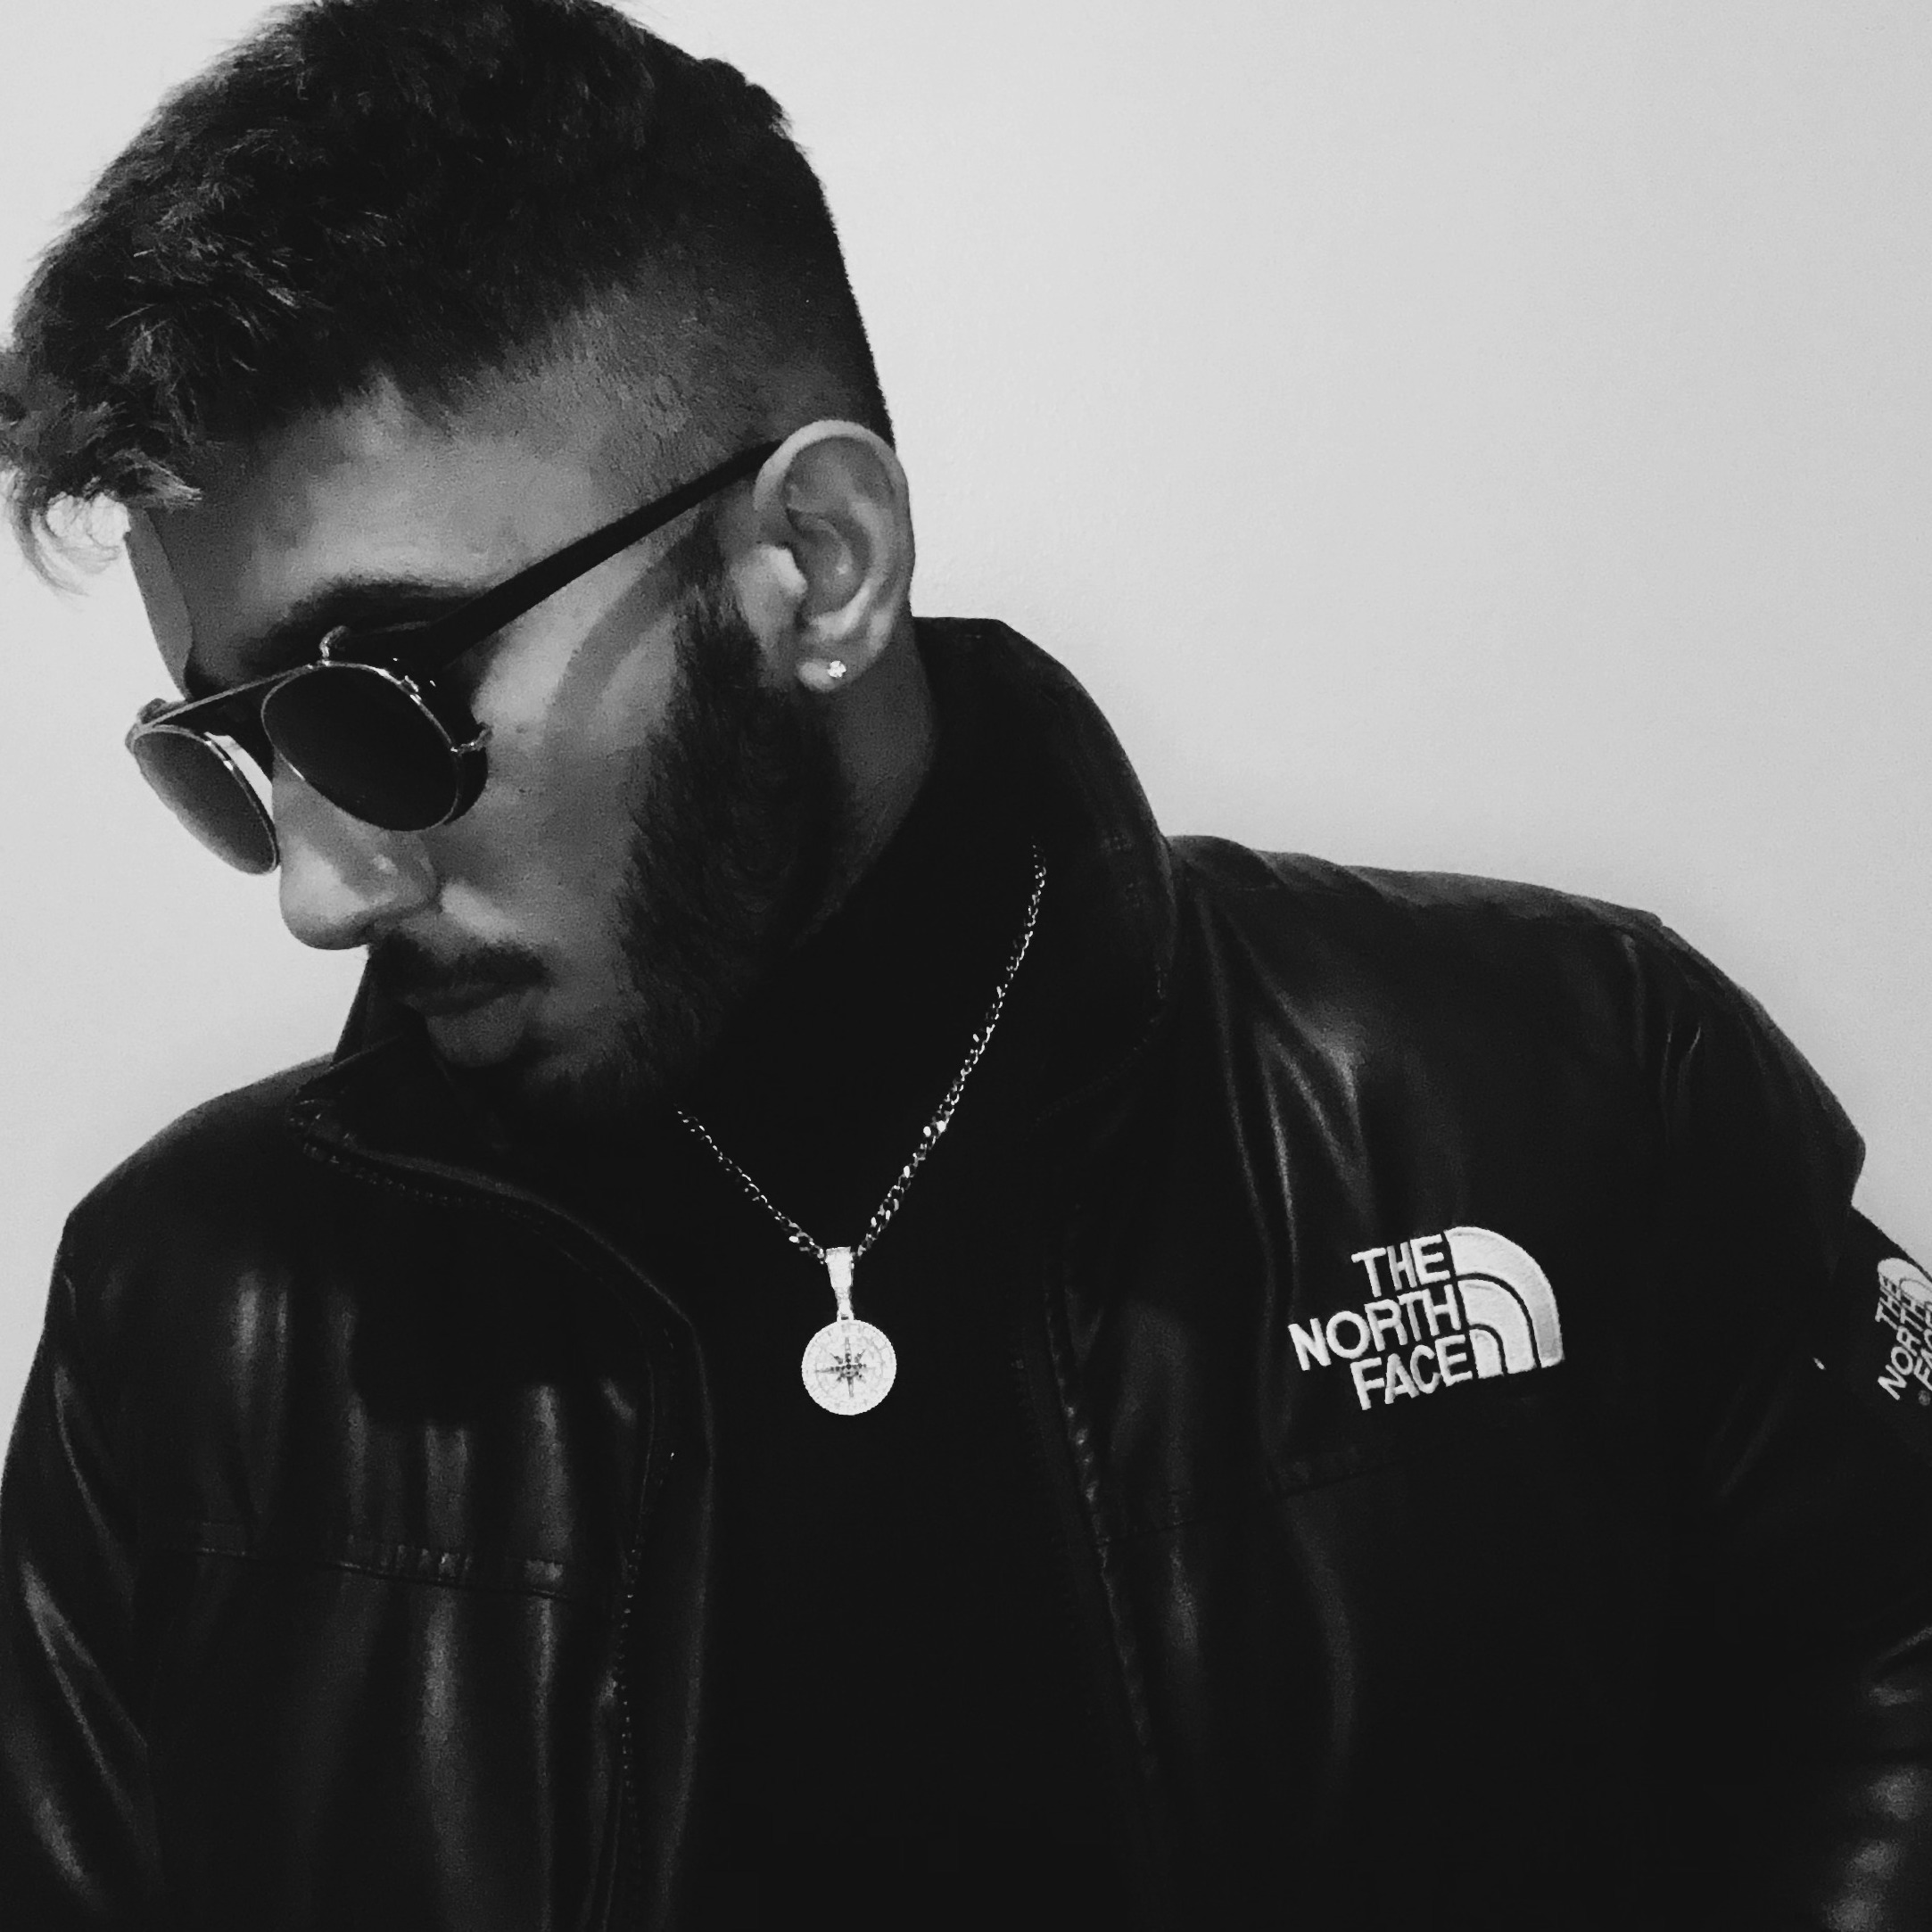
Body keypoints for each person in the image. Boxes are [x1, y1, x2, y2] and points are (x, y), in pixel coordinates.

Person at [1, 1, 1928, 1926]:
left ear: (818, 563)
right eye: (234, 748)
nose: (319, 892)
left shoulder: (1557, 1092)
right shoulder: (188, 1327)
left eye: (380, 704)